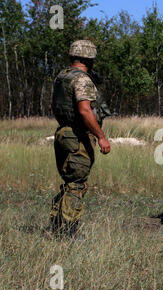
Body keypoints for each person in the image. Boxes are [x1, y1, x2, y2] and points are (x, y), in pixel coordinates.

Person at [45, 40, 111, 239]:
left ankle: (55, 228)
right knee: (77, 185)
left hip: (63, 134)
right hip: (77, 136)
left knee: (70, 182)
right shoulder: (82, 80)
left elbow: (54, 106)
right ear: (90, 58)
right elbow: (84, 110)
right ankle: (68, 231)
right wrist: (101, 136)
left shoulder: (62, 77)